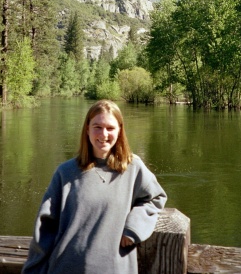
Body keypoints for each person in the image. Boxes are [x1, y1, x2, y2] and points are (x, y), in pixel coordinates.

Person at [22, 99, 167, 274]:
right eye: (97, 127)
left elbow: (155, 198)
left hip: (115, 268)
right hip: (65, 267)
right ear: (87, 129)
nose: (104, 134)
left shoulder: (133, 168)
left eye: (110, 128)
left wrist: (134, 228)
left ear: (120, 131)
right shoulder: (65, 172)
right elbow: (44, 228)